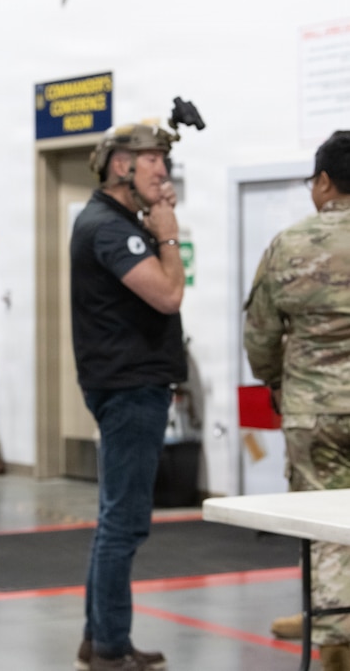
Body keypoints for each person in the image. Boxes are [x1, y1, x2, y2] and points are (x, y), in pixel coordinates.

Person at [70, 123, 187, 671]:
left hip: (125, 385)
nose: (164, 174)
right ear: (122, 165)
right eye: (154, 163)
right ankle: (111, 648)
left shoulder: (110, 222)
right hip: (130, 388)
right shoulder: (112, 230)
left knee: (115, 519)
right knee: (124, 523)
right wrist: (166, 232)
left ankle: (101, 639)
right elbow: (166, 295)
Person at [243, 130, 350, 671]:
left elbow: (260, 333)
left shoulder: (290, 243)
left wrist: (279, 385)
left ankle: (334, 645)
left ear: (326, 182)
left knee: (326, 525)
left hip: (314, 411)